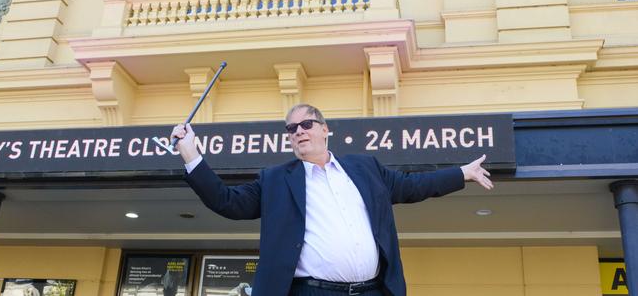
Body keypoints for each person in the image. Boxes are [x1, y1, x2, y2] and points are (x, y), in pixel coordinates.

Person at [172, 104, 493, 296]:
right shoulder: (275, 180)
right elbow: (227, 201)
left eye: (306, 124)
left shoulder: (365, 168)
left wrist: (461, 173)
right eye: (291, 128)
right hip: (311, 292)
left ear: (325, 129)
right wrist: (191, 154)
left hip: (373, 290)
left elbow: (412, 185)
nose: (298, 131)